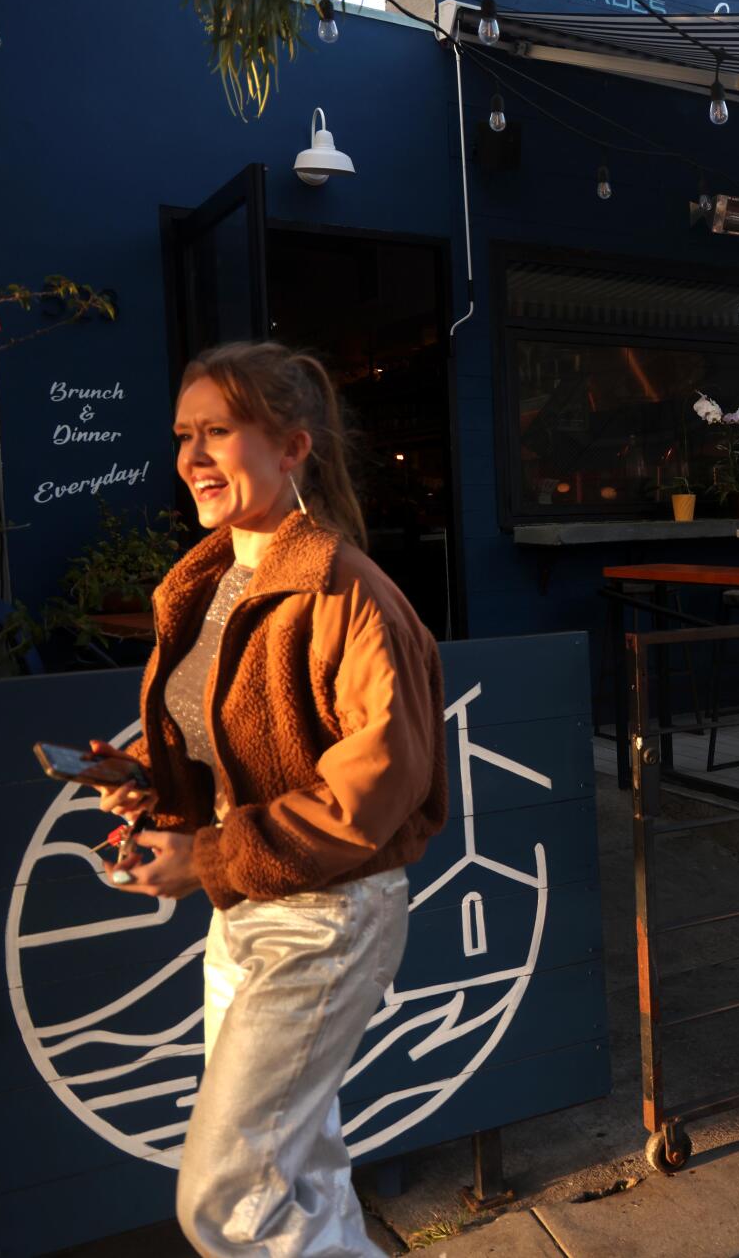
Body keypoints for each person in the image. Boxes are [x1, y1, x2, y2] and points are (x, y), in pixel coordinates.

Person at [90, 342, 447, 1256]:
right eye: (184, 436)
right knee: (297, 1168)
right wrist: (149, 783)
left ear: (292, 448)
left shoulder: (350, 594)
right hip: (247, 909)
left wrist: (207, 857)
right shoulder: (209, 583)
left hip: (329, 919)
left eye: (217, 433)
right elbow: (232, 742)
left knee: (227, 1197)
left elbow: (374, 788)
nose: (193, 457)